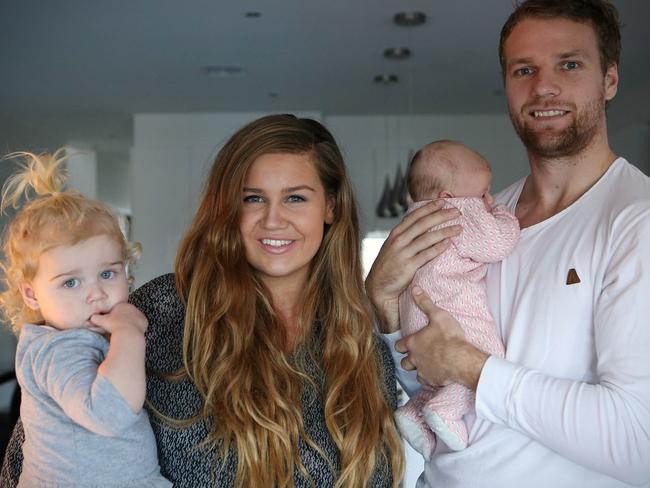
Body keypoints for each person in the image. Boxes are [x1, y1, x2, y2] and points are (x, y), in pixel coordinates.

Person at [1, 114, 405, 487]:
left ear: (330, 207)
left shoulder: (361, 348)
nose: (273, 220)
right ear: (228, 208)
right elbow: (36, 451)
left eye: (296, 198)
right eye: (253, 198)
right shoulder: (159, 310)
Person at [366, 1, 650, 487]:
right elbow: (434, 383)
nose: (544, 87)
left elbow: (637, 441)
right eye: (524, 69)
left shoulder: (635, 220)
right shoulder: (479, 218)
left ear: (610, 80)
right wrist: (386, 305)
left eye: (570, 64)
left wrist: (473, 367)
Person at [0, 150, 170, 486]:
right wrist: (130, 334)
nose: (95, 293)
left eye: (108, 274)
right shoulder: (58, 350)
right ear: (31, 294)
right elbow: (110, 413)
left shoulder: (80, 336)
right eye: (71, 282)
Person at [395, 140, 519, 458]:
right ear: (448, 198)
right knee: (486, 360)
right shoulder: (457, 212)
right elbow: (497, 244)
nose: (489, 200)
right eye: (483, 194)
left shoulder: (414, 216)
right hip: (450, 310)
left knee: (435, 371)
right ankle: (446, 410)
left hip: (415, 313)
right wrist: (505, 215)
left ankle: (414, 412)